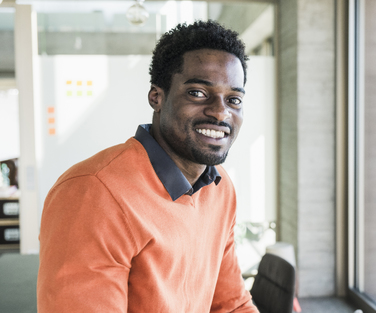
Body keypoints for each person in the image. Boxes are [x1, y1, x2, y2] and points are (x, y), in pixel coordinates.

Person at [37, 20, 259, 313]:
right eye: (197, 93)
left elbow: (230, 305)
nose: (220, 112)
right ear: (157, 97)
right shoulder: (93, 193)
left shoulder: (219, 187)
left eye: (234, 99)